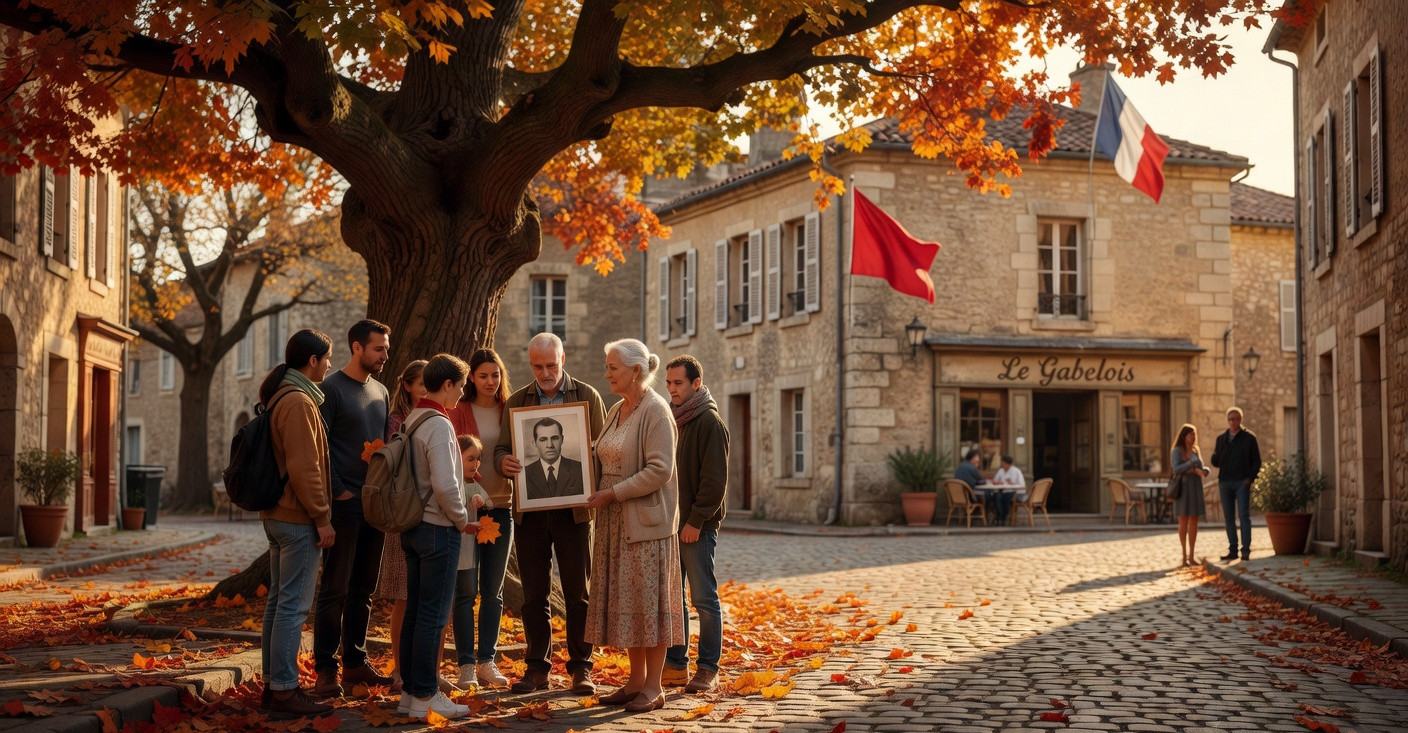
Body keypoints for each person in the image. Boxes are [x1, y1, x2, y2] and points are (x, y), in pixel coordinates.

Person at [494, 333, 605, 695]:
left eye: (551, 366)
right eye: (537, 367)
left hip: (574, 514)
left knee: (579, 594)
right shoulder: (516, 401)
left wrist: (594, 483)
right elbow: (502, 448)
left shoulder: (587, 397)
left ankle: (580, 668)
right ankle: (537, 668)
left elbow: (604, 451)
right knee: (533, 596)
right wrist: (504, 461)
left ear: (563, 358)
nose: (544, 374)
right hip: (531, 515)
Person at [585, 339, 685, 712]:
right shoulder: (618, 409)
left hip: (644, 525)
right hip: (614, 522)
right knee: (628, 604)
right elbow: (600, 452)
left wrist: (614, 494)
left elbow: (660, 470)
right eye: (607, 366)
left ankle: (655, 687)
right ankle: (635, 681)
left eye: (613, 368)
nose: (607, 373)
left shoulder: (656, 411)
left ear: (636, 371)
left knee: (649, 607)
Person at [313, 320, 394, 697]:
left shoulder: (381, 390)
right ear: (357, 348)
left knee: (363, 589)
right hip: (344, 506)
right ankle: (325, 669)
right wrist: (339, 492)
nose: (384, 355)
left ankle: (356, 664)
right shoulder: (330, 390)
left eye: (386, 349)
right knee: (335, 589)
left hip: (374, 506)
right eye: (378, 349)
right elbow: (320, 448)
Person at [258, 329, 336, 718]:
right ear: (312, 361)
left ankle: (274, 686)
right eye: (327, 358)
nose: (330, 365)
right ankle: (286, 691)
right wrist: (322, 518)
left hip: (276, 516)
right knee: (292, 606)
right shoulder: (300, 403)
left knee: (277, 604)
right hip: (297, 518)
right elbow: (306, 470)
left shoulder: (280, 397)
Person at [396, 354, 479, 721]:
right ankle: (427, 694)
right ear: (447, 385)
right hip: (437, 527)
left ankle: (412, 695)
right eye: (460, 387)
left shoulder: (413, 418)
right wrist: (462, 520)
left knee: (416, 611)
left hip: (413, 526)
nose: (462, 395)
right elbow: (447, 485)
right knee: (433, 615)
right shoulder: (440, 425)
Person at [660, 355, 728, 693]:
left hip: (695, 527)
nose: (671, 389)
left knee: (704, 599)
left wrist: (697, 520)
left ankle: (708, 668)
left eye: (678, 383)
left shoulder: (708, 422)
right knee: (675, 600)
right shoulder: (675, 419)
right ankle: (675, 665)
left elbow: (714, 482)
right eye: (669, 383)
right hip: (671, 524)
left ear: (696, 384)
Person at [447, 349, 514, 687]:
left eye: (496, 375)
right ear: (472, 377)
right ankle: (465, 666)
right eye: (484, 375)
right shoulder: (458, 411)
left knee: (492, 590)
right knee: (464, 590)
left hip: (500, 509)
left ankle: (488, 661)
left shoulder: (510, 410)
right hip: (465, 512)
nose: (491, 381)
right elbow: (449, 460)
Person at [375, 359, 427, 693]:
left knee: (431, 598)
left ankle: (426, 671)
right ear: (407, 385)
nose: (425, 389)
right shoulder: (397, 420)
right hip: (403, 514)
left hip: (433, 514)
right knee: (404, 597)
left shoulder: (438, 416)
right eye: (421, 383)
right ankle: (398, 669)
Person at [1211, 407, 1262, 562]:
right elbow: (1217, 461)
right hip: (1225, 481)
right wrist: (1214, 458)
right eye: (1231, 419)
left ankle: (1245, 551)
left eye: (1237, 419)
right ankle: (1233, 550)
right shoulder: (1222, 439)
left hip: (1242, 482)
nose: (1234, 422)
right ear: (1228, 421)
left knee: (1244, 516)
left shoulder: (1249, 438)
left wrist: (1250, 478)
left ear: (1241, 420)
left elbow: (1257, 462)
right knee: (1228, 517)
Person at [1170, 423, 1211, 567]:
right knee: (1183, 521)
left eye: (1194, 434)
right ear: (1184, 435)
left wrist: (1204, 470)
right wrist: (1191, 467)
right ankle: (1183, 557)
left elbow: (1199, 466)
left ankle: (1192, 556)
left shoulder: (1195, 450)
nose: (1193, 437)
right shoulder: (1177, 451)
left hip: (1195, 487)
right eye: (1190, 434)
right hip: (1183, 487)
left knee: (1194, 521)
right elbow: (1176, 469)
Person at [522, 418, 586, 500]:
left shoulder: (579, 469)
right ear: (535, 443)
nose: (550, 445)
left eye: (555, 438)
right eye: (543, 439)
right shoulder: (525, 474)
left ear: (562, 439)